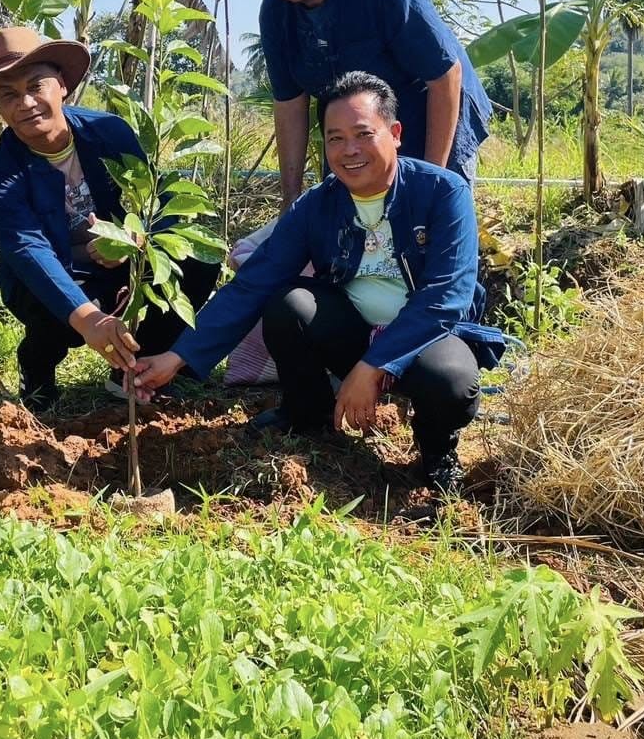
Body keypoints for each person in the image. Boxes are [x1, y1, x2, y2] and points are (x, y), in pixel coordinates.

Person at [133, 72, 505, 493]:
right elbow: (253, 282)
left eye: (363, 134)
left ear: (395, 133)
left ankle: (437, 452)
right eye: (335, 138)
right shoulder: (318, 205)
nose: (350, 151)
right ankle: (308, 413)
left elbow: (446, 298)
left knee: (452, 380)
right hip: (349, 330)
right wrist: (178, 356)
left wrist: (372, 367)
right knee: (288, 304)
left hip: (423, 340)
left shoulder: (442, 191)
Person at [0, 28, 219, 411]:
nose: (26, 103)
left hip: (122, 261)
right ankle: (37, 372)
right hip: (55, 275)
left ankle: (137, 367)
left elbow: (153, 200)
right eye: (9, 95)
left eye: (36, 86)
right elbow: (29, 250)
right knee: (47, 307)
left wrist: (134, 238)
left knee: (194, 263)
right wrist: (88, 319)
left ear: (62, 86)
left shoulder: (109, 134)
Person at [247, 0, 493, 212]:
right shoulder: (275, 14)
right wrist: (290, 200)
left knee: (431, 222)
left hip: (433, 107)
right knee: (350, 229)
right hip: (358, 127)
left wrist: (431, 182)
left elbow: (445, 75)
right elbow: (290, 104)